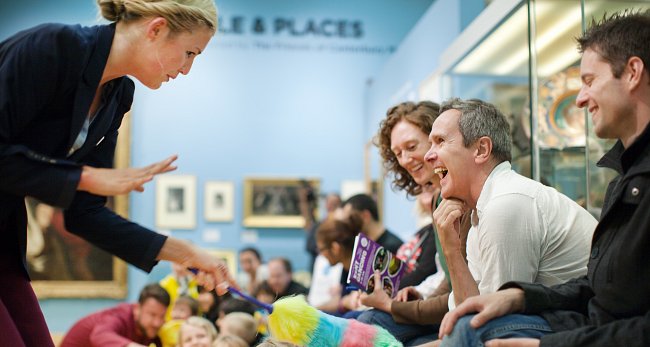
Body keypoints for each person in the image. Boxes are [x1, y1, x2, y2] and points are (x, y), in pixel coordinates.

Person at [0, 0, 234, 345]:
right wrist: (85, 178)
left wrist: (184, 252)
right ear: (155, 29)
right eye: (189, 53)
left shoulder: (118, 94)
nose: (187, 70)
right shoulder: (51, 48)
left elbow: (86, 213)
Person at [437, 10, 650, 347]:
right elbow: (598, 288)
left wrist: (547, 344)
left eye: (590, 81)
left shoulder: (507, 204)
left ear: (633, 73)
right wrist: (519, 297)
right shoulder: (623, 178)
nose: (579, 98)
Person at [355, 101, 455, 345]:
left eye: (411, 147)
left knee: (368, 324)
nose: (406, 159)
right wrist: (419, 294)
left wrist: (391, 304)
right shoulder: (439, 200)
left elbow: (465, 292)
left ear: (438, 140)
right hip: (444, 305)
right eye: (398, 153)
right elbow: (448, 279)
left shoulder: (458, 199)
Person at [61, 283, 170, 347]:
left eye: (162, 316)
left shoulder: (149, 331)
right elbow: (99, 336)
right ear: (137, 309)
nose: (157, 323)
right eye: (152, 315)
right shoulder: (118, 316)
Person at [313, 214, 364, 315]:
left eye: (321, 249)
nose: (321, 254)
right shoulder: (346, 269)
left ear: (335, 248)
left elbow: (356, 304)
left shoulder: (361, 272)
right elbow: (340, 300)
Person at [338, 193, 403, 254]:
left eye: (351, 219)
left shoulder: (393, 247)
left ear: (366, 216)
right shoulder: (363, 247)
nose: (348, 225)